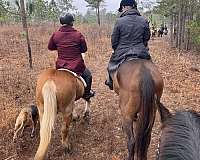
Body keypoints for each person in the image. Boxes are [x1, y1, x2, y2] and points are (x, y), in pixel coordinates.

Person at [105, 0, 151, 90]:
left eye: (122, 8)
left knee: (111, 66)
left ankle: (110, 81)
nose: (122, 10)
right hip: (141, 50)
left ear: (125, 7)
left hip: (122, 51)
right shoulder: (144, 20)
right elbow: (146, 37)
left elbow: (114, 40)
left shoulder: (119, 21)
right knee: (151, 65)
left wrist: (116, 49)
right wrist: (143, 45)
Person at [48, 13, 95, 100]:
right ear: (71, 23)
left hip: (61, 65)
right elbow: (84, 49)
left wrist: (59, 47)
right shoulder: (78, 34)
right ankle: (87, 93)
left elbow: (50, 47)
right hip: (76, 66)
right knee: (88, 76)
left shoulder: (55, 34)